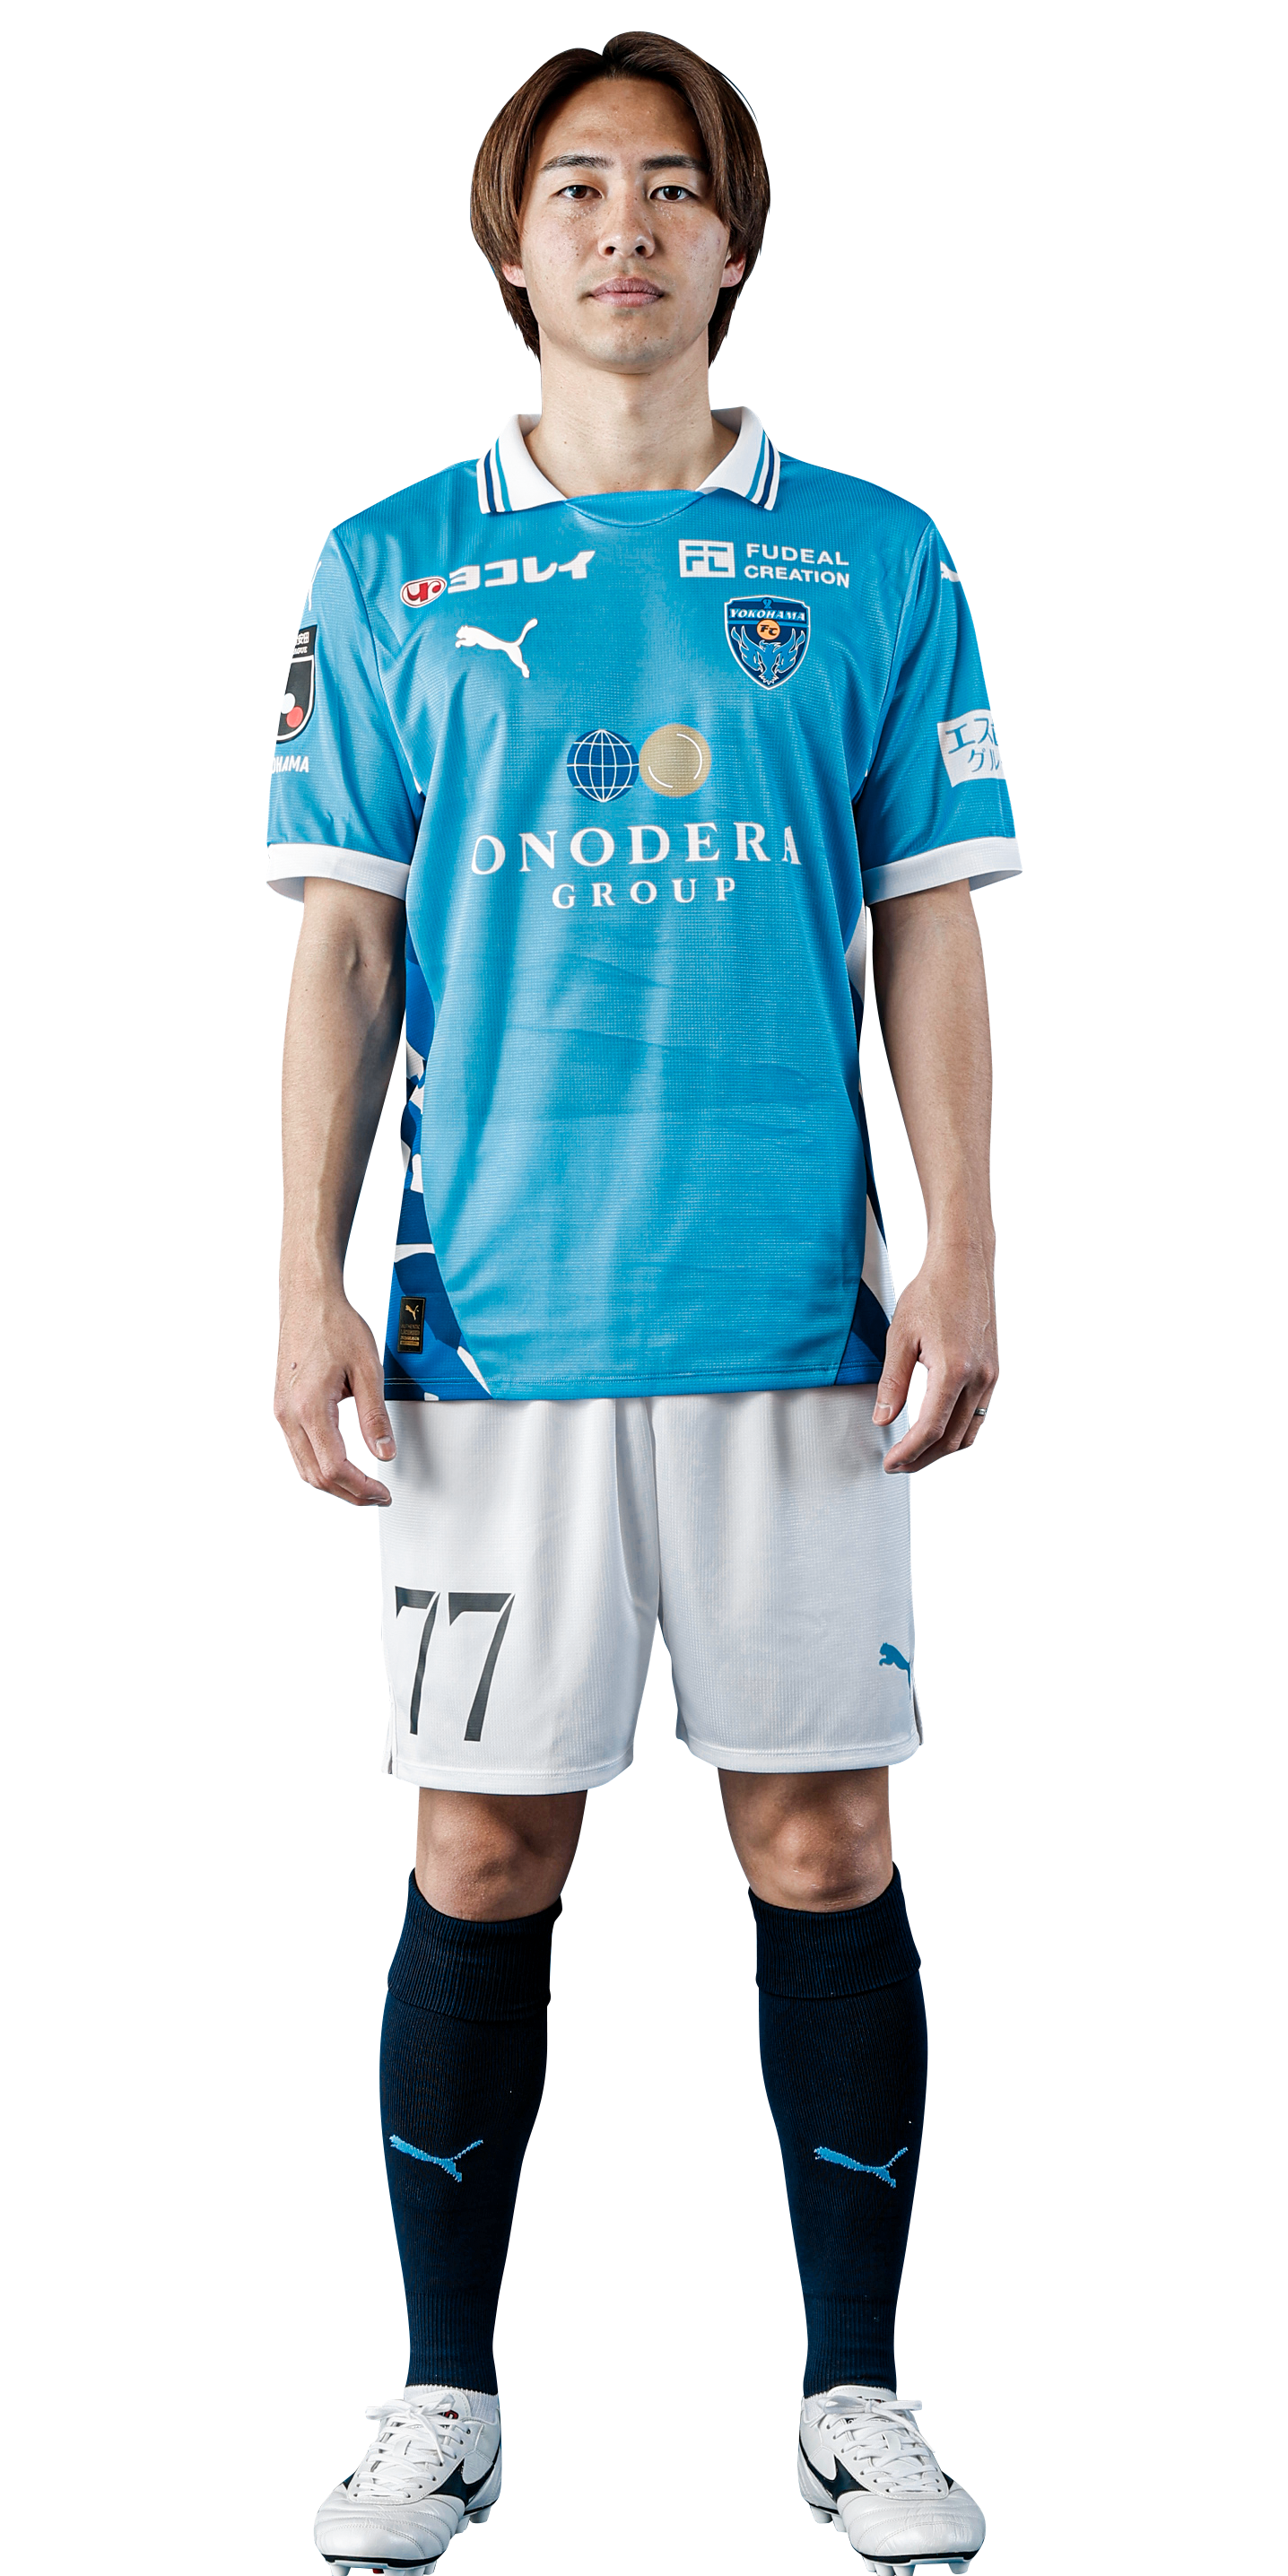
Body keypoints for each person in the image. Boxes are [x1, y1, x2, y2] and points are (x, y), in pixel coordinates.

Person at [269, 32, 1017, 2576]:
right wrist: (303, 1284)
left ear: (734, 244)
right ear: (512, 248)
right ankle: (441, 2403)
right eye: (576, 187)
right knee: (482, 1852)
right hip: (487, 1324)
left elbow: (929, 928)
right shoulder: (389, 568)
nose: (624, 226)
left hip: (794, 1315)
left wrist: (960, 1243)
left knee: (823, 1842)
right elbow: (341, 954)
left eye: (671, 187)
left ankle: (859, 2398)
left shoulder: (877, 558)